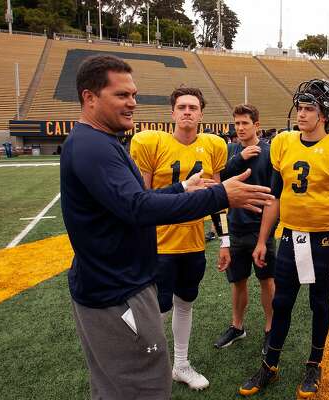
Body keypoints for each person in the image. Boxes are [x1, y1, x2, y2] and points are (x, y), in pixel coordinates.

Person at [61, 54, 273, 400]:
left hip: (127, 275)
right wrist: (220, 194)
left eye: (134, 95)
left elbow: (131, 199)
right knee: (143, 379)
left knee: (124, 378)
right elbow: (137, 205)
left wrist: (182, 189)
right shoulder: (94, 145)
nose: (132, 103)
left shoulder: (103, 141)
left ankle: (183, 362)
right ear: (89, 97)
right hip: (117, 288)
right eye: (121, 95)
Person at [238, 79, 329, 398]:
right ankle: (269, 365)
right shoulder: (285, 142)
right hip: (291, 237)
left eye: (309, 109)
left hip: (325, 241)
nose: (301, 114)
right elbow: (274, 197)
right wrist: (262, 240)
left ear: (325, 114)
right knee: (282, 301)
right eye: (299, 108)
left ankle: (314, 364)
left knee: (319, 303)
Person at [130, 87, 227, 391]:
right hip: (158, 244)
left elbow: (219, 199)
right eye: (182, 107)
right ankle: (147, 365)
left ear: (201, 114)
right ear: (172, 113)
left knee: (186, 302)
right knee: (153, 309)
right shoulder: (152, 143)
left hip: (193, 242)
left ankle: (180, 364)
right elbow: (140, 199)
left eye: (193, 107)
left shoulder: (213, 146)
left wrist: (225, 240)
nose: (187, 112)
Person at [214, 104, 276, 354]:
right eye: (237, 123)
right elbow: (219, 182)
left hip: (261, 228)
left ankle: (271, 329)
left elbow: (274, 196)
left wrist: (265, 235)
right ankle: (237, 326)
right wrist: (240, 158)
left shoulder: (270, 153)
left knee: (266, 280)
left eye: (245, 123)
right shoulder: (230, 151)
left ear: (256, 125)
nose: (240, 128)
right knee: (238, 281)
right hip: (236, 227)